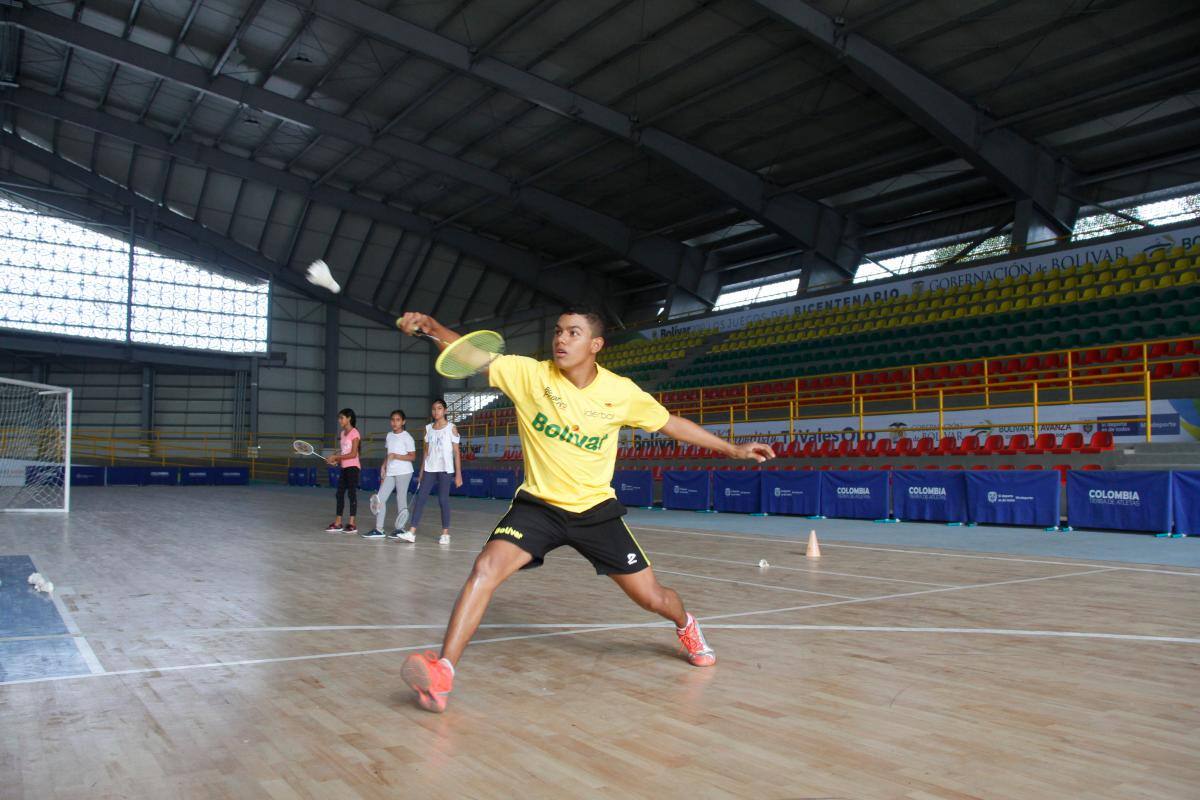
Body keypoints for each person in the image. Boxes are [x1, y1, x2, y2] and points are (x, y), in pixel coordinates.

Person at [395, 307, 774, 712]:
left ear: (595, 345)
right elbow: (475, 356)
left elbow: (670, 424)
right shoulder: (529, 374)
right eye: (558, 331)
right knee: (485, 569)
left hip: (595, 511)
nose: (561, 340)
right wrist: (433, 327)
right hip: (538, 506)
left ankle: (687, 626)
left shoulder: (621, 391)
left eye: (573, 333)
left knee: (653, 598)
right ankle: (444, 671)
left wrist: (732, 448)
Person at [392, 399, 462, 545]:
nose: (436, 411)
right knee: (420, 499)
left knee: (443, 500)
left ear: (445, 411)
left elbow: (456, 452)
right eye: (434, 409)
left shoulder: (452, 428)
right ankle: (411, 532)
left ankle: (445, 534)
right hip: (430, 468)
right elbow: (426, 452)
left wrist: (458, 474)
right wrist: (422, 471)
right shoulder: (428, 428)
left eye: (439, 408)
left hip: (445, 469)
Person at [361, 409, 415, 540]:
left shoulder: (407, 437)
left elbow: (412, 457)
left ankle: (400, 529)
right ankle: (379, 529)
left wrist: (396, 456)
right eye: (392, 420)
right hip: (390, 472)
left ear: (403, 422)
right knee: (380, 498)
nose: (394, 423)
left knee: (400, 499)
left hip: (404, 472)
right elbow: (388, 453)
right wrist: (383, 465)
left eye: (397, 420)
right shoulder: (389, 435)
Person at [324, 408, 361, 534]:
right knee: (339, 494)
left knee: (351, 494)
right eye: (339, 418)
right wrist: (336, 460)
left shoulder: (355, 433)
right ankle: (338, 522)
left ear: (349, 418)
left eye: (341, 418)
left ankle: (352, 524)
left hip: (353, 467)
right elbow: (344, 452)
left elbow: (353, 453)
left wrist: (336, 457)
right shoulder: (342, 434)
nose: (339, 420)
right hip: (344, 467)